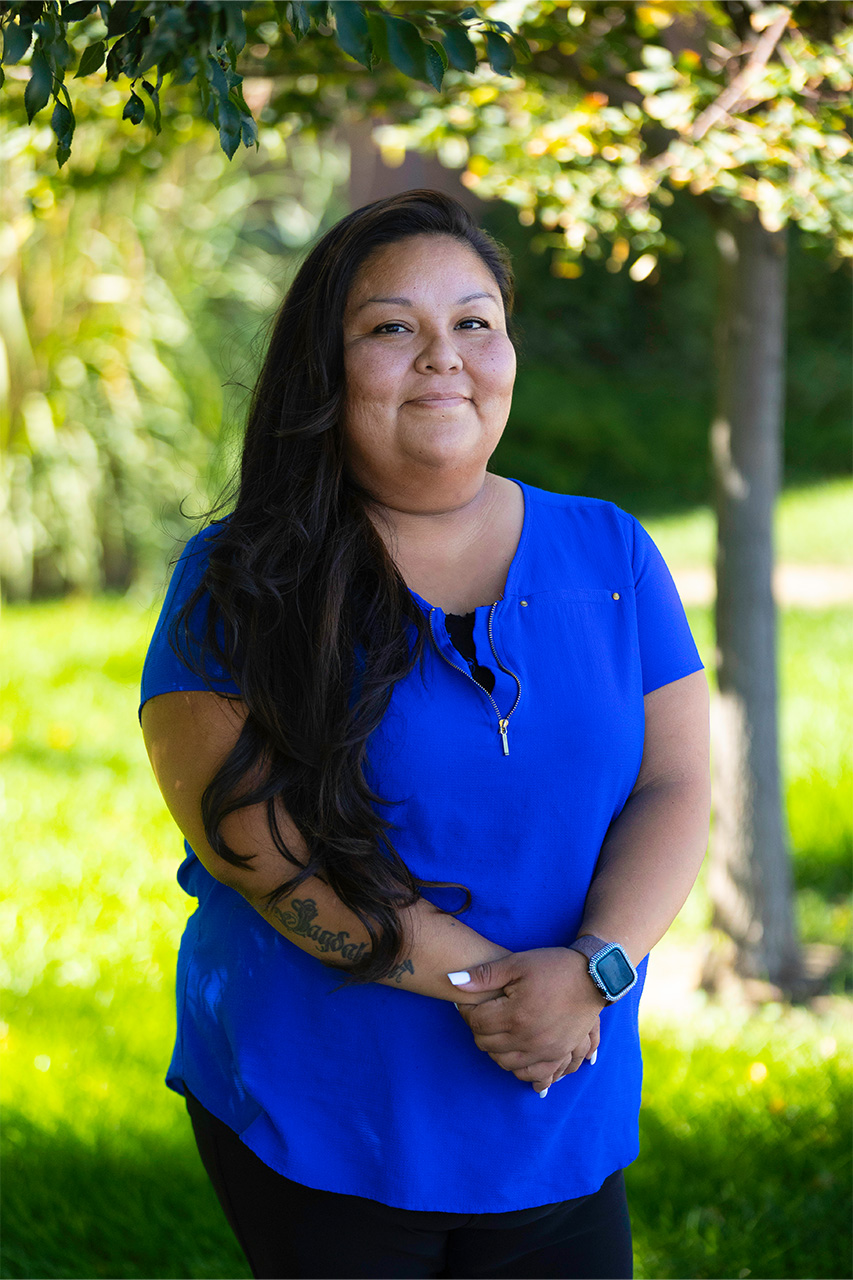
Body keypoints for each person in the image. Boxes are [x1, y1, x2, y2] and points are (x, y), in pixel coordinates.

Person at [139, 188, 710, 1280]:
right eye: (392, 327)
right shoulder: (236, 580)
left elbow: (675, 785)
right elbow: (258, 844)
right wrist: (518, 992)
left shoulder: (613, 551)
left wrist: (593, 972)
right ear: (326, 367)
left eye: (474, 322)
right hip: (326, 1107)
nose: (443, 356)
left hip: (561, 1095)